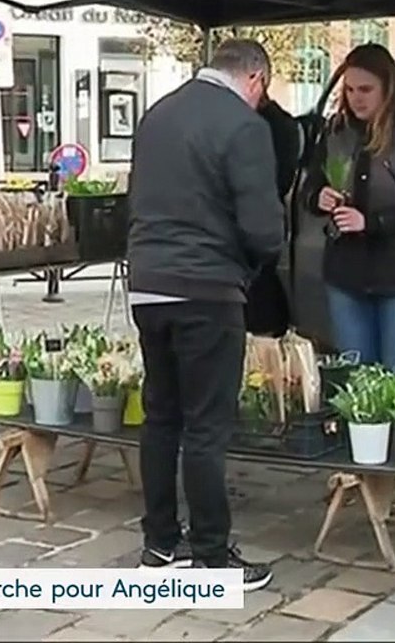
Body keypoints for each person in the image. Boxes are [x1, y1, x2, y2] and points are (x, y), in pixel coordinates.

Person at [126, 39, 285, 589]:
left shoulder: (157, 114)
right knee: (206, 426)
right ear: (257, 78)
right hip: (207, 287)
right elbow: (264, 228)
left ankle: (159, 544)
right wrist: (253, 267)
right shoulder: (244, 127)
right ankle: (212, 557)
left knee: (160, 416)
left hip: (147, 284)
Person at [301, 44, 395, 373]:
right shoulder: (337, 132)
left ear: (387, 87)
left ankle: (393, 427)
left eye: (366, 89)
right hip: (347, 273)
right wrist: (316, 196)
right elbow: (312, 182)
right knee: (357, 375)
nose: (356, 98)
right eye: (349, 89)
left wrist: (371, 222)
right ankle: (361, 427)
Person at [245, 91, 303, 337]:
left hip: (257, 218)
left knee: (259, 287)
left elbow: (278, 179)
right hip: (265, 216)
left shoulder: (270, 126)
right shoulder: (281, 124)